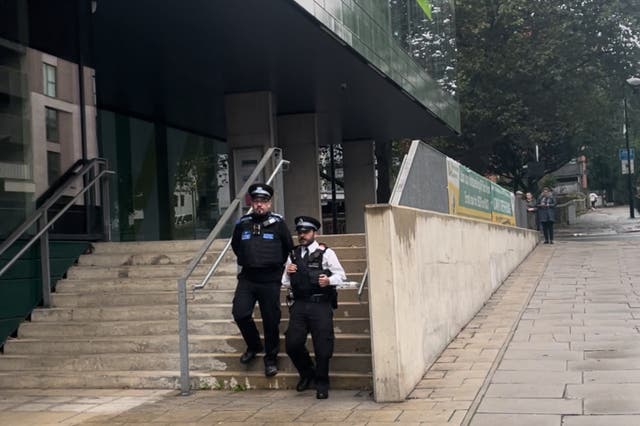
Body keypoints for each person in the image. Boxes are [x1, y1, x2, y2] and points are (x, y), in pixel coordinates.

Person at [230, 183, 294, 377]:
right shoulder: (243, 223)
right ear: (252, 203)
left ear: (269, 203)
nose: (259, 205)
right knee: (240, 313)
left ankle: (271, 358)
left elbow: (288, 247)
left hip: (270, 279)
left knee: (270, 320)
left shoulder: (278, 224)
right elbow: (236, 246)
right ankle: (254, 345)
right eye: (256, 202)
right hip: (248, 278)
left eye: (263, 202)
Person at [282, 216, 347, 400]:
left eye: (306, 232)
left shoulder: (326, 253)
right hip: (300, 304)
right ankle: (306, 373)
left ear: (314, 233)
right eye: (300, 232)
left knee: (323, 347)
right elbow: (284, 282)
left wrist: (328, 281)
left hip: (320, 304)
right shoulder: (293, 255)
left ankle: (322, 383)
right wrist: (288, 272)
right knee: (293, 344)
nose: (302, 235)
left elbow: (341, 275)